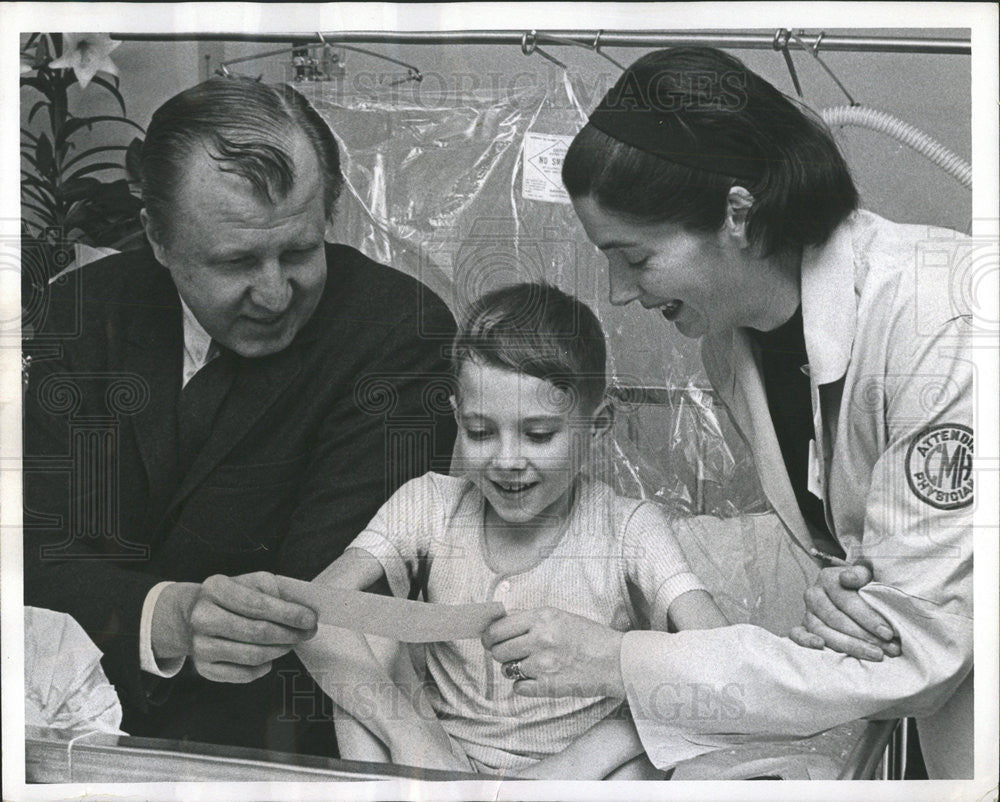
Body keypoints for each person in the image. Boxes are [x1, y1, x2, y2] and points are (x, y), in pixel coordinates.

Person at [481, 47, 973, 778]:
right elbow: (868, 574)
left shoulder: (942, 319)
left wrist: (618, 659)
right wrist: (852, 580)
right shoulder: (731, 346)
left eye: (636, 258)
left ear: (738, 214)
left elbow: (915, 648)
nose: (618, 292)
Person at [22, 76, 457, 756]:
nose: (275, 292)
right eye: (236, 261)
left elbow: (327, 605)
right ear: (157, 238)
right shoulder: (81, 314)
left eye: (300, 251)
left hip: (275, 747)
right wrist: (167, 617)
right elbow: (31, 558)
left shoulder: (398, 333)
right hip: (65, 726)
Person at [295, 282, 730, 777]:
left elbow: (724, 659)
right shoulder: (429, 504)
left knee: (656, 733)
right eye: (480, 432)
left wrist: (580, 761)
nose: (506, 461)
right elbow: (314, 612)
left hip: (578, 776)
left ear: (599, 422)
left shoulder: (630, 528)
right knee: (359, 630)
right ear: (457, 416)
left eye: (539, 434)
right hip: (438, 766)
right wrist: (417, 741)